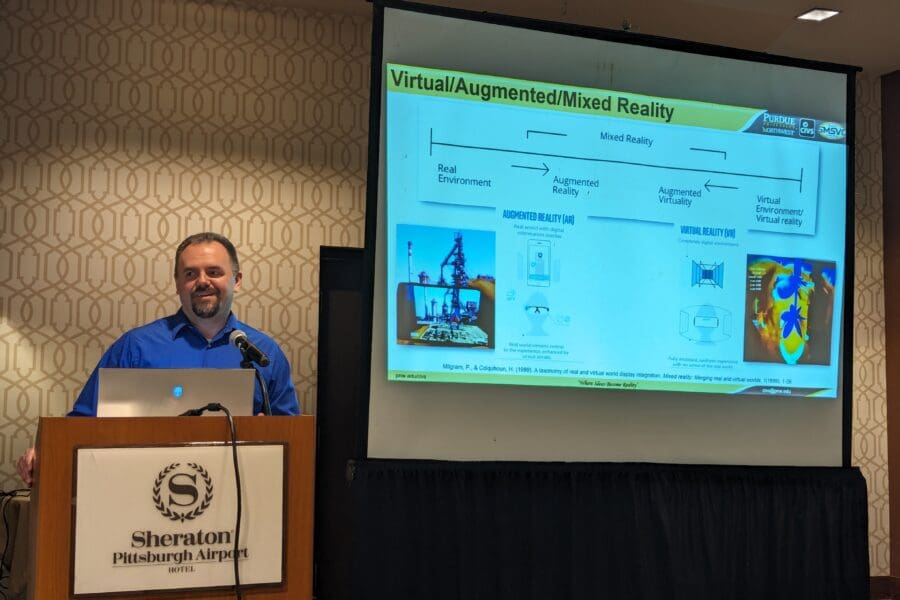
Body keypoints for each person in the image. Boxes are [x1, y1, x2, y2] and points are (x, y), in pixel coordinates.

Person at [16, 232, 300, 485]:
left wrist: (265, 432)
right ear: (177, 283)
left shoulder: (264, 353)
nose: (202, 281)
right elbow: (84, 422)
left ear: (236, 281)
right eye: (190, 274)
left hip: (239, 502)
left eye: (214, 272)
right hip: (140, 497)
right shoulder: (135, 347)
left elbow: (292, 440)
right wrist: (46, 451)